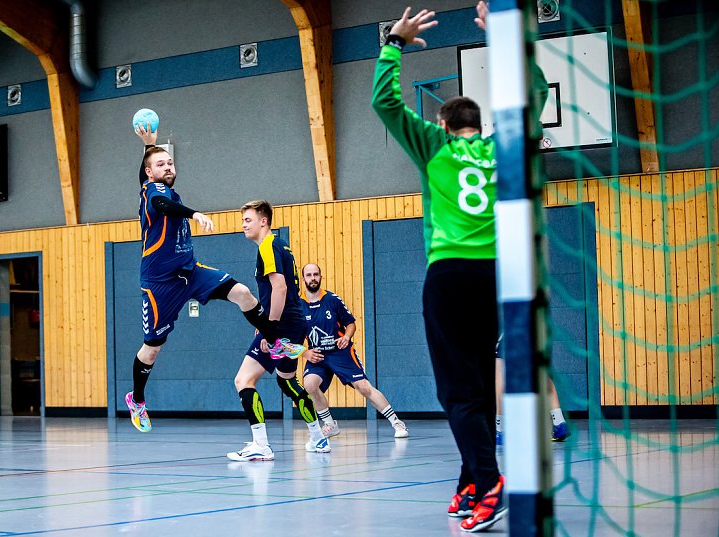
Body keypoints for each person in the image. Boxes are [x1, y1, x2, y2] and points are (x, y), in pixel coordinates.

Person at [371, 3, 548, 533]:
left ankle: (489, 481)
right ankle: (470, 478)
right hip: (498, 276)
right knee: (474, 381)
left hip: (449, 273)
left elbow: (385, 102)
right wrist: (512, 42)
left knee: (457, 390)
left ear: (446, 123)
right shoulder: (502, 147)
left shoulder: (434, 144)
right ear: (480, 124)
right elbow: (536, 101)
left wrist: (394, 44)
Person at [125, 125, 298, 433]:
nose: (167, 167)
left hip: (189, 271)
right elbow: (163, 206)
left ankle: (274, 343)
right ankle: (137, 399)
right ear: (149, 173)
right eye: (160, 164)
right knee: (152, 347)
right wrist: (192, 214)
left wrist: (149, 145)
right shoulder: (154, 194)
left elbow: (154, 177)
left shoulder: (157, 185)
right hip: (160, 284)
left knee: (243, 293)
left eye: (170, 163)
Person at [226, 200, 331, 461]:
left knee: (243, 380)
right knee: (287, 381)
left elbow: (280, 288)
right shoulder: (282, 244)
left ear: (264, 221)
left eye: (247, 220)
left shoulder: (268, 246)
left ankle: (260, 444)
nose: (243, 225)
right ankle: (318, 438)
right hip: (296, 322)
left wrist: (267, 329)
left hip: (282, 322)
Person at [299, 263, 409, 439]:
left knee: (364, 387)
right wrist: (305, 353)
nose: (313, 278)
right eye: (309, 275)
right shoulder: (297, 306)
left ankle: (397, 422)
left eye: (316, 274)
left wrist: (347, 337)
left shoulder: (332, 300)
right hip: (317, 355)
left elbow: (351, 323)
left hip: (340, 353)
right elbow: (285, 336)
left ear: (321, 276)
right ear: (303, 278)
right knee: (310, 384)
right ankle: (329, 424)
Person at [495, 336, 570, 445]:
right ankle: (559, 422)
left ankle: (500, 429)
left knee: (499, 367)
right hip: (537, 327)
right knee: (540, 370)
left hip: (515, 327)